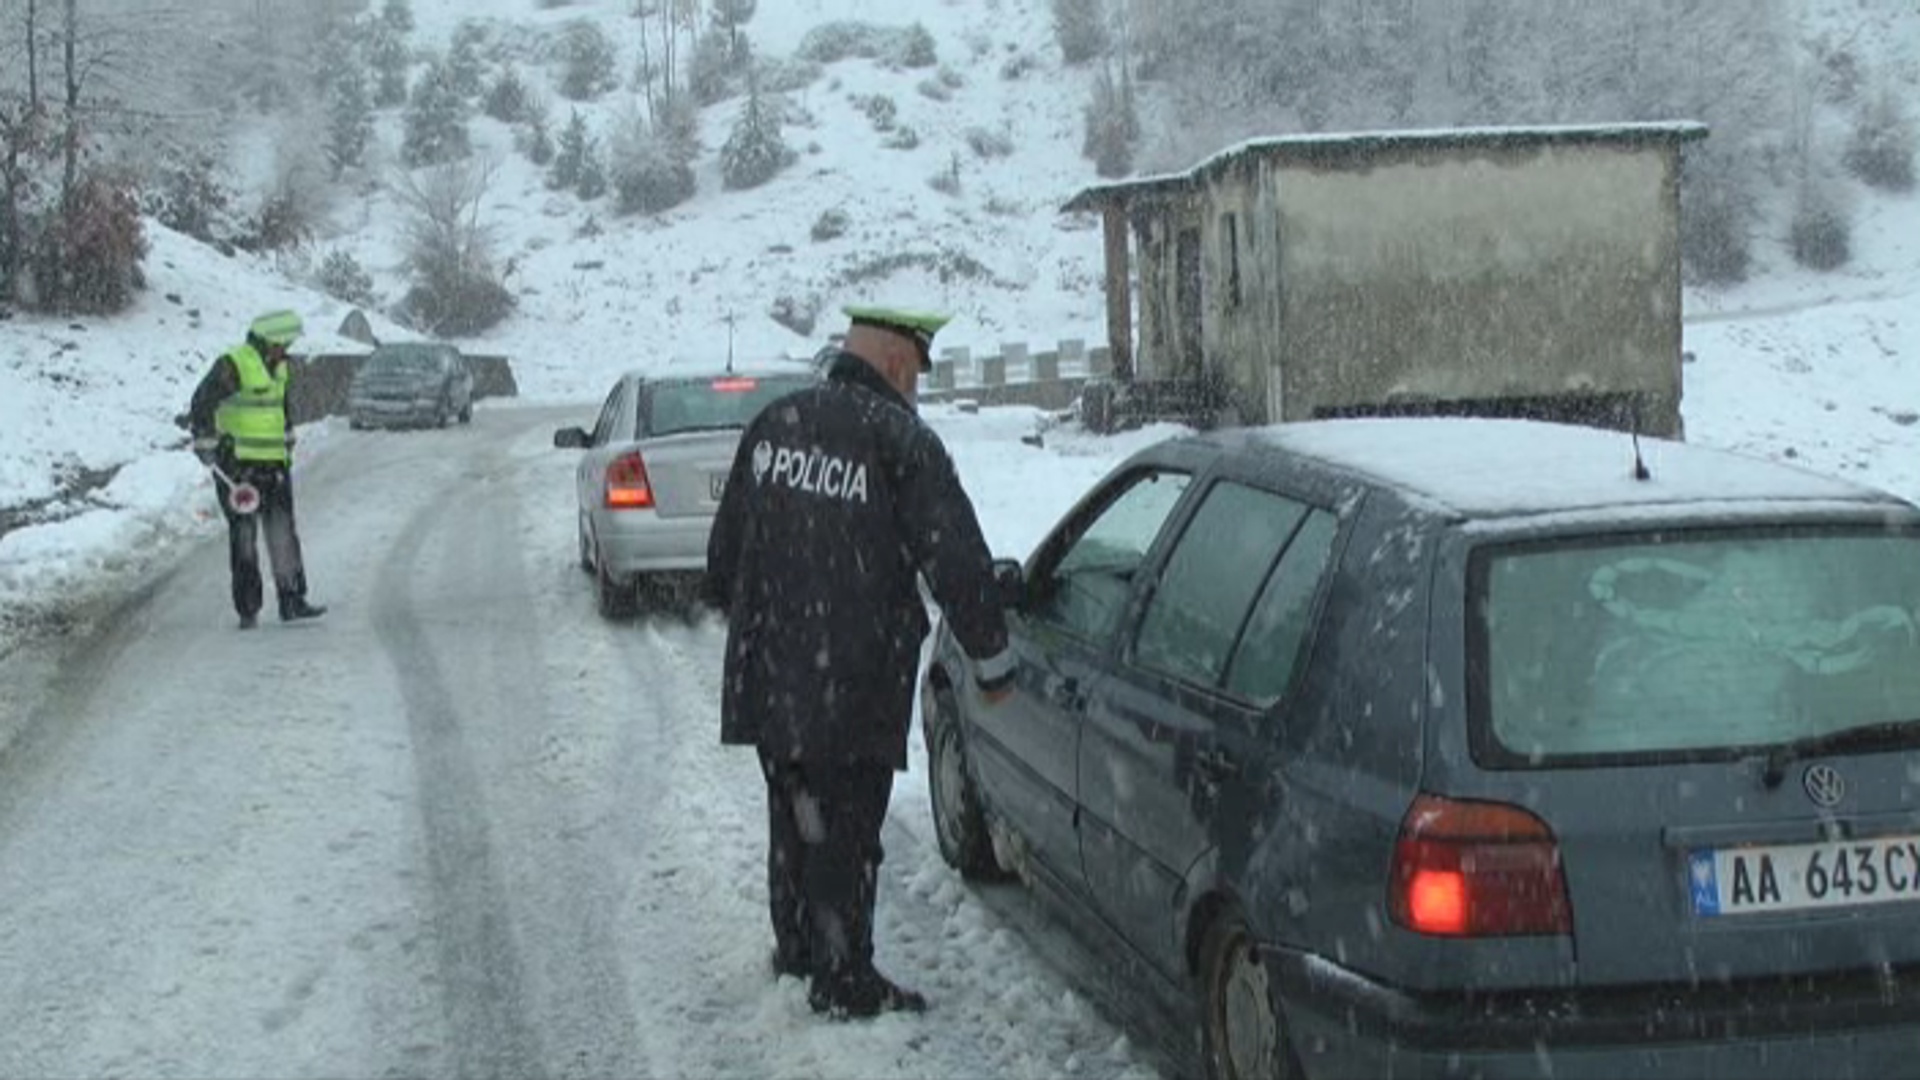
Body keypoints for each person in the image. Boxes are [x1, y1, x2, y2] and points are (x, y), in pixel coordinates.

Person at [704, 305, 1015, 1019]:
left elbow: (725, 557)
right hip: (851, 679)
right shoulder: (901, 440)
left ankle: (799, 949)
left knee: (794, 816)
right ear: (899, 367)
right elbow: (957, 560)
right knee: (847, 834)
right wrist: (992, 661)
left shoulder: (775, 423)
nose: (915, 393)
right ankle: (844, 980)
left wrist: (756, 618)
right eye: (916, 379)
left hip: (770, 672)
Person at [187, 310, 328, 629]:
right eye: (284, 343)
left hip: (274, 465)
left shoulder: (279, 369)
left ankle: (292, 600)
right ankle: (248, 609)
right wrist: (206, 440)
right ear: (269, 341)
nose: (287, 349)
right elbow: (202, 402)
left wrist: (288, 436)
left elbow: (279, 409)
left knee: (283, 534)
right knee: (244, 537)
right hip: (237, 468)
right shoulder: (234, 364)